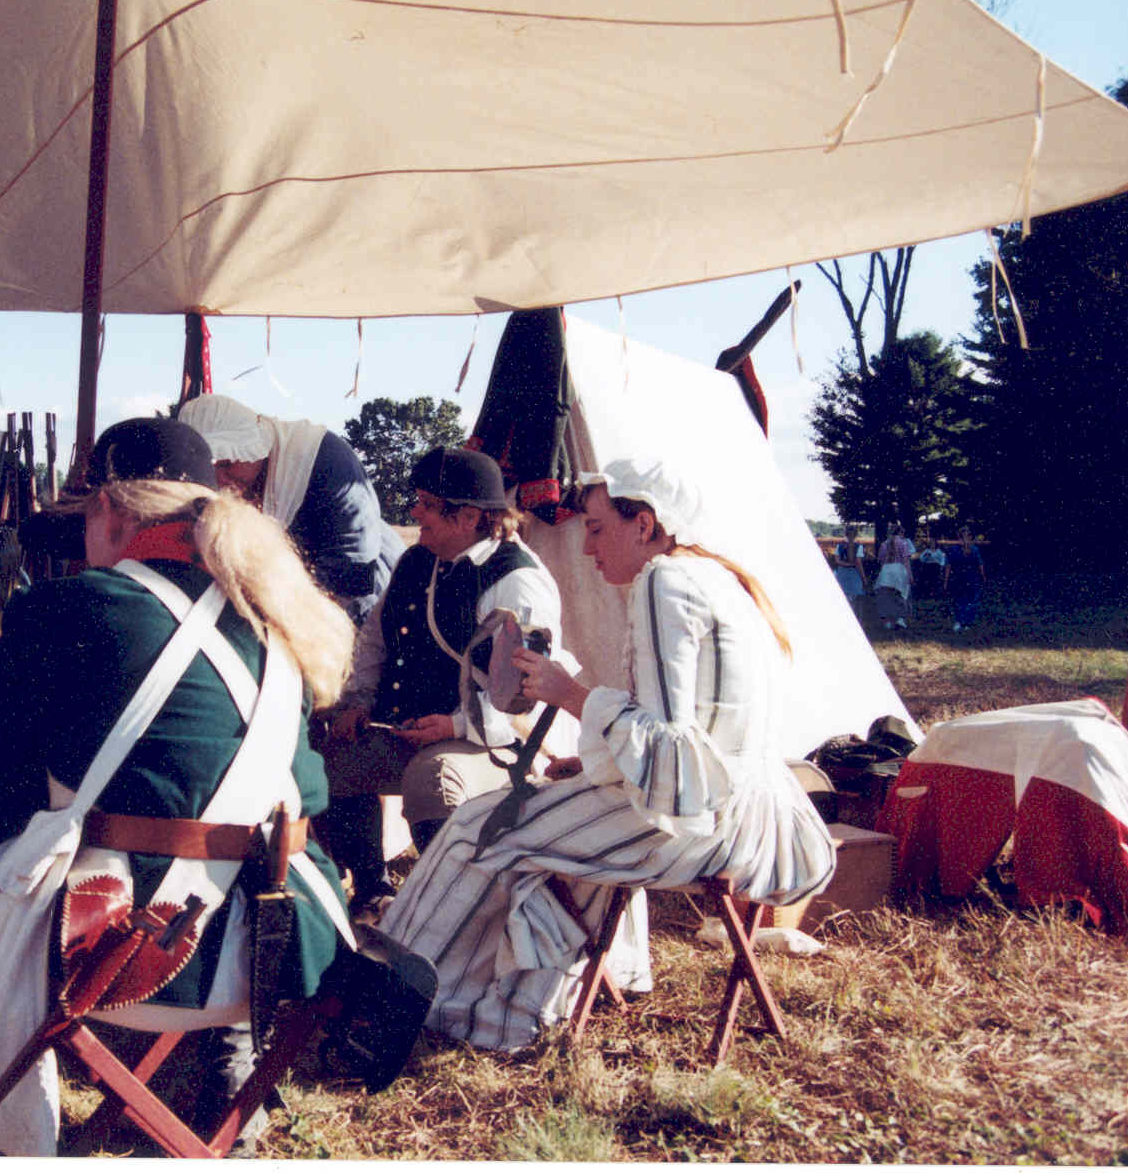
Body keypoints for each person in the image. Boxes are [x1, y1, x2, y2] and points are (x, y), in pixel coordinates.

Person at [0, 417, 353, 1153]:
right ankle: (225, 1098)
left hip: (118, 954)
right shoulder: (278, 617)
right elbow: (309, 794)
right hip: (274, 958)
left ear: (109, 509)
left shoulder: (59, 608)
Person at [379, 457, 837, 1052]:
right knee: (539, 829)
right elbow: (691, 738)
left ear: (642, 525)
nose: (588, 548)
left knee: (477, 826)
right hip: (744, 813)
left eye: (595, 528)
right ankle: (535, 1001)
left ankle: (404, 992)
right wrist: (599, 760)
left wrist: (568, 693)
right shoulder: (713, 577)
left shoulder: (664, 581)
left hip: (698, 823)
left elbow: (673, 749)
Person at [318, 446, 563, 919]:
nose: (415, 513)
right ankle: (372, 894)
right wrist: (359, 700)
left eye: (428, 504)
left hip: (493, 741)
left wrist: (455, 727)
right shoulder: (416, 561)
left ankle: (445, 912)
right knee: (334, 762)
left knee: (431, 777)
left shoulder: (517, 580)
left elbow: (526, 693)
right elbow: (375, 641)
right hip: (407, 729)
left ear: (468, 516)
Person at [174, 393, 403, 622]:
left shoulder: (326, 461)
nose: (221, 478)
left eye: (228, 463)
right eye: (214, 468)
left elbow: (352, 570)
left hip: (362, 603)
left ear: (255, 447)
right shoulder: (240, 479)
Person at [873, 521, 915, 630]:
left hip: (886, 570)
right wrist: (910, 575)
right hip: (899, 569)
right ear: (900, 532)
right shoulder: (903, 543)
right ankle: (900, 619)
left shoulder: (884, 544)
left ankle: (887, 621)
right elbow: (906, 561)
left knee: (886, 596)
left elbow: (880, 560)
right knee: (901, 595)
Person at [945, 525, 986, 632]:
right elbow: (948, 565)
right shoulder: (954, 550)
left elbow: (980, 565)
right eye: (963, 536)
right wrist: (946, 579)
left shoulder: (974, 549)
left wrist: (983, 576)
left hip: (972, 578)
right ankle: (960, 621)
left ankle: (967, 622)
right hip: (959, 578)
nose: (965, 539)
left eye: (967, 536)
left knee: (971, 600)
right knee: (960, 600)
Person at [831, 522, 868, 602]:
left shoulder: (839, 546)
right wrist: (863, 578)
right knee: (853, 601)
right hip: (853, 574)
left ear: (845, 533)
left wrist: (846, 564)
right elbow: (859, 563)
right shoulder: (859, 546)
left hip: (841, 573)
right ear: (856, 534)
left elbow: (837, 561)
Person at [913, 530, 946, 599]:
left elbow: (942, 560)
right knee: (926, 580)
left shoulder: (938, 551)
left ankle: (934, 594)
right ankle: (925, 594)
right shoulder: (927, 551)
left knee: (935, 581)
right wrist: (926, 557)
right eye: (931, 543)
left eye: (933, 543)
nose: (932, 545)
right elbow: (922, 558)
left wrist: (941, 566)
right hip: (927, 567)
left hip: (935, 567)